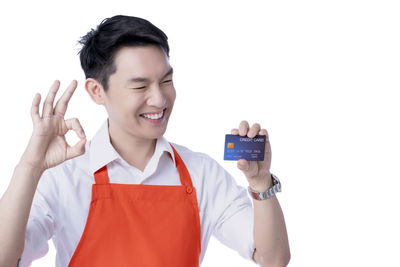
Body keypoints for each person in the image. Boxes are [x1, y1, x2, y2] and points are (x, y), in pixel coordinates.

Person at [0, 15, 290, 267]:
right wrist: (30, 166)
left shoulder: (202, 174)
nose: (160, 99)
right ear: (96, 91)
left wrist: (261, 183)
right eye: (140, 85)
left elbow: (272, 259)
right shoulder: (64, 175)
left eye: (166, 81)